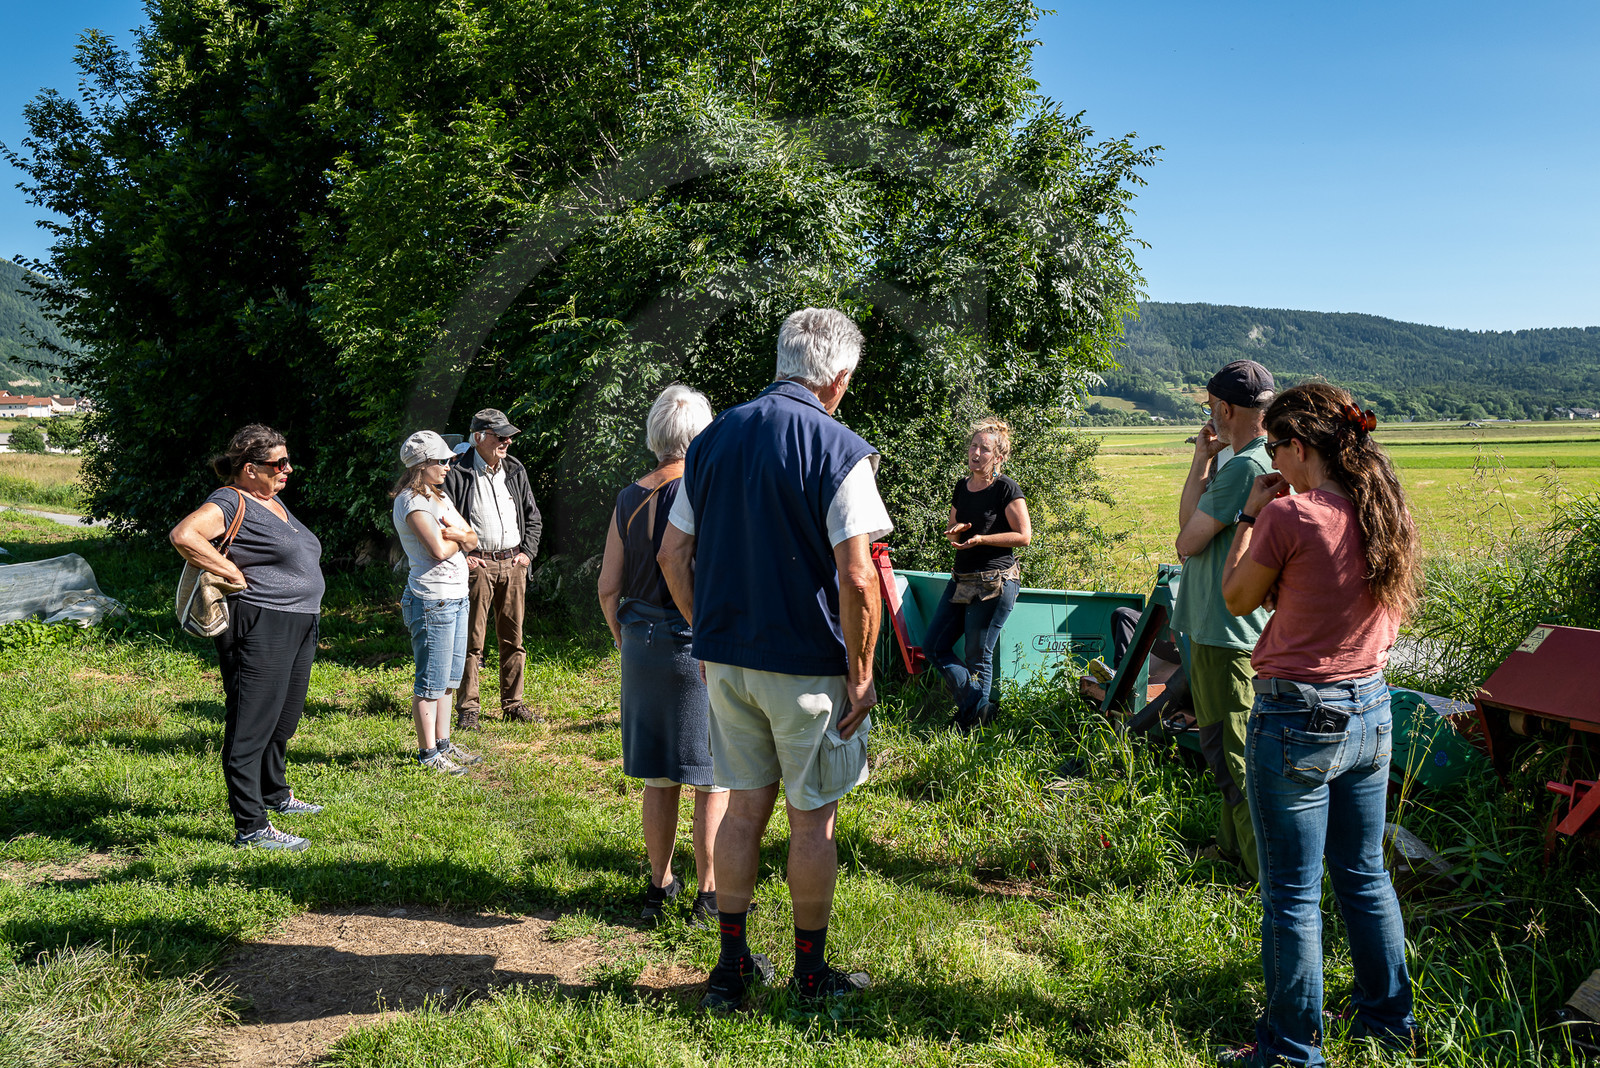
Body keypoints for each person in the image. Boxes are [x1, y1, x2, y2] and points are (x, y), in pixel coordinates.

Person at [658, 308, 891, 1012]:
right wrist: (861, 672)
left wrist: (707, 631)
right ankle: (810, 974)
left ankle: (730, 967)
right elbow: (858, 578)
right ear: (838, 378)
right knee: (812, 818)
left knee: (740, 812)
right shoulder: (840, 447)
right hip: (809, 664)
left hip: (728, 660)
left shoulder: (712, 439)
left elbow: (673, 554)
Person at [1220, 383, 1421, 1068]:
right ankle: (1390, 1023)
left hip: (1296, 717)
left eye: (1276, 447)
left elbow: (1237, 595)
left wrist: (1251, 515)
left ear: (1299, 446)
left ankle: (1290, 1050)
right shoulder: (1385, 510)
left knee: (1292, 894)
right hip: (1370, 707)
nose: (1274, 459)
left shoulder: (1291, 516)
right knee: (1365, 875)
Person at [596, 384, 728, 925]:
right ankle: (709, 894)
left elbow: (608, 586)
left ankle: (659, 886)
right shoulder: (702, 492)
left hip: (641, 644)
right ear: (699, 435)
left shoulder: (628, 497)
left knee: (658, 777)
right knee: (711, 777)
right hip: (692, 642)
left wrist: (621, 636)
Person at [169, 424, 326, 852]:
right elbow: (184, 535)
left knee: (283, 717)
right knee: (251, 724)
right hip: (259, 623)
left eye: (287, 461)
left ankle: (275, 794)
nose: (288, 469)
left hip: (298, 621)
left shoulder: (272, 501)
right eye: (279, 463)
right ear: (250, 468)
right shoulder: (229, 499)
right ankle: (251, 826)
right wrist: (229, 570)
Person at [1171, 359, 1276, 879]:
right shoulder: (1244, 461)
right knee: (1221, 747)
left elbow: (1187, 541)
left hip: (1225, 634)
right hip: (1218, 629)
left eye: (1212, 406)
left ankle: (1265, 879)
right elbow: (1189, 529)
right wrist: (1201, 459)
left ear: (1225, 408)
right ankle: (1230, 851)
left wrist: (1209, 465)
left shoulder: (1246, 468)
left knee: (1234, 752)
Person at [921, 419, 1032, 731]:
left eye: (985, 449)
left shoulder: (1006, 488)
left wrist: (983, 539)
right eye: (973, 446)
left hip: (995, 582)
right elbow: (953, 528)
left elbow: (1024, 536)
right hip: (962, 579)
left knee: (977, 655)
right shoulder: (962, 486)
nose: (976, 452)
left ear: (998, 457)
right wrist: (956, 533)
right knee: (934, 646)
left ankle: (970, 724)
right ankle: (978, 709)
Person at [442, 408, 544, 730]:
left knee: (513, 639)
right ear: (478, 438)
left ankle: (513, 705)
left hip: (513, 564)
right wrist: (463, 556)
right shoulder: (457, 472)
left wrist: (527, 553)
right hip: (478, 566)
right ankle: (468, 708)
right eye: (500, 436)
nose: (507, 442)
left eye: (508, 436)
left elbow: (533, 517)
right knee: (471, 642)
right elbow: (444, 522)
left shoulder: (514, 469)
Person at [393, 430, 481, 773]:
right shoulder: (411, 502)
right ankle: (428, 754)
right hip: (432, 601)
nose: (448, 465)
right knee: (430, 681)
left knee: (449, 680)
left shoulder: (438, 497)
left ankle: (443, 744)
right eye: (441, 460)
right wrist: (458, 538)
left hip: (457, 596)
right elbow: (437, 549)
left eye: (448, 459)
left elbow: (472, 537)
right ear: (422, 464)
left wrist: (458, 536)